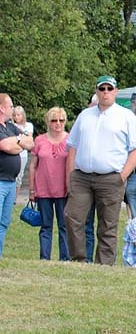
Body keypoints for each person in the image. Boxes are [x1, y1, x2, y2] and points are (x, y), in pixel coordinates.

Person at [64, 77, 136, 264]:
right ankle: (79, 260)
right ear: (97, 91)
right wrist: (71, 176)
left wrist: (123, 175)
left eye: (109, 88)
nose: (105, 92)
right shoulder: (85, 115)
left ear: (116, 91)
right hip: (82, 177)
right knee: (73, 217)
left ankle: (104, 264)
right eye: (102, 88)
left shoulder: (126, 117)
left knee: (108, 224)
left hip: (111, 178)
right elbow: (73, 146)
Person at [28, 107, 70, 260]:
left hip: (64, 190)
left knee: (64, 226)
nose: (58, 124)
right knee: (46, 226)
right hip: (43, 189)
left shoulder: (70, 140)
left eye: (61, 120)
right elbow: (33, 165)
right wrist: (32, 190)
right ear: (48, 122)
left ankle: (65, 258)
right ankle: (44, 257)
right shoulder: (39, 140)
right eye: (54, 120)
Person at [0, 94, 34, 257]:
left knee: (4, 222)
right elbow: (5, 145)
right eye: (11, 106)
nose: (13, 110)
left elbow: (30, 142)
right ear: (2, 108)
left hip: (11, 182)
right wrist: (20, 143)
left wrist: (18, 142)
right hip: (0, 182)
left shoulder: (9, 126)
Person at [11, 105, 33, 190]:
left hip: (23, 154)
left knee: (19, 176)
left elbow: (29, 140)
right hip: (13, 152)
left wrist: (20, 140)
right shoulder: (11, 125)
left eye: (19, 115)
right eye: (15, 115)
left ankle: (15, 199)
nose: (17, 117)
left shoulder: (28, 125)